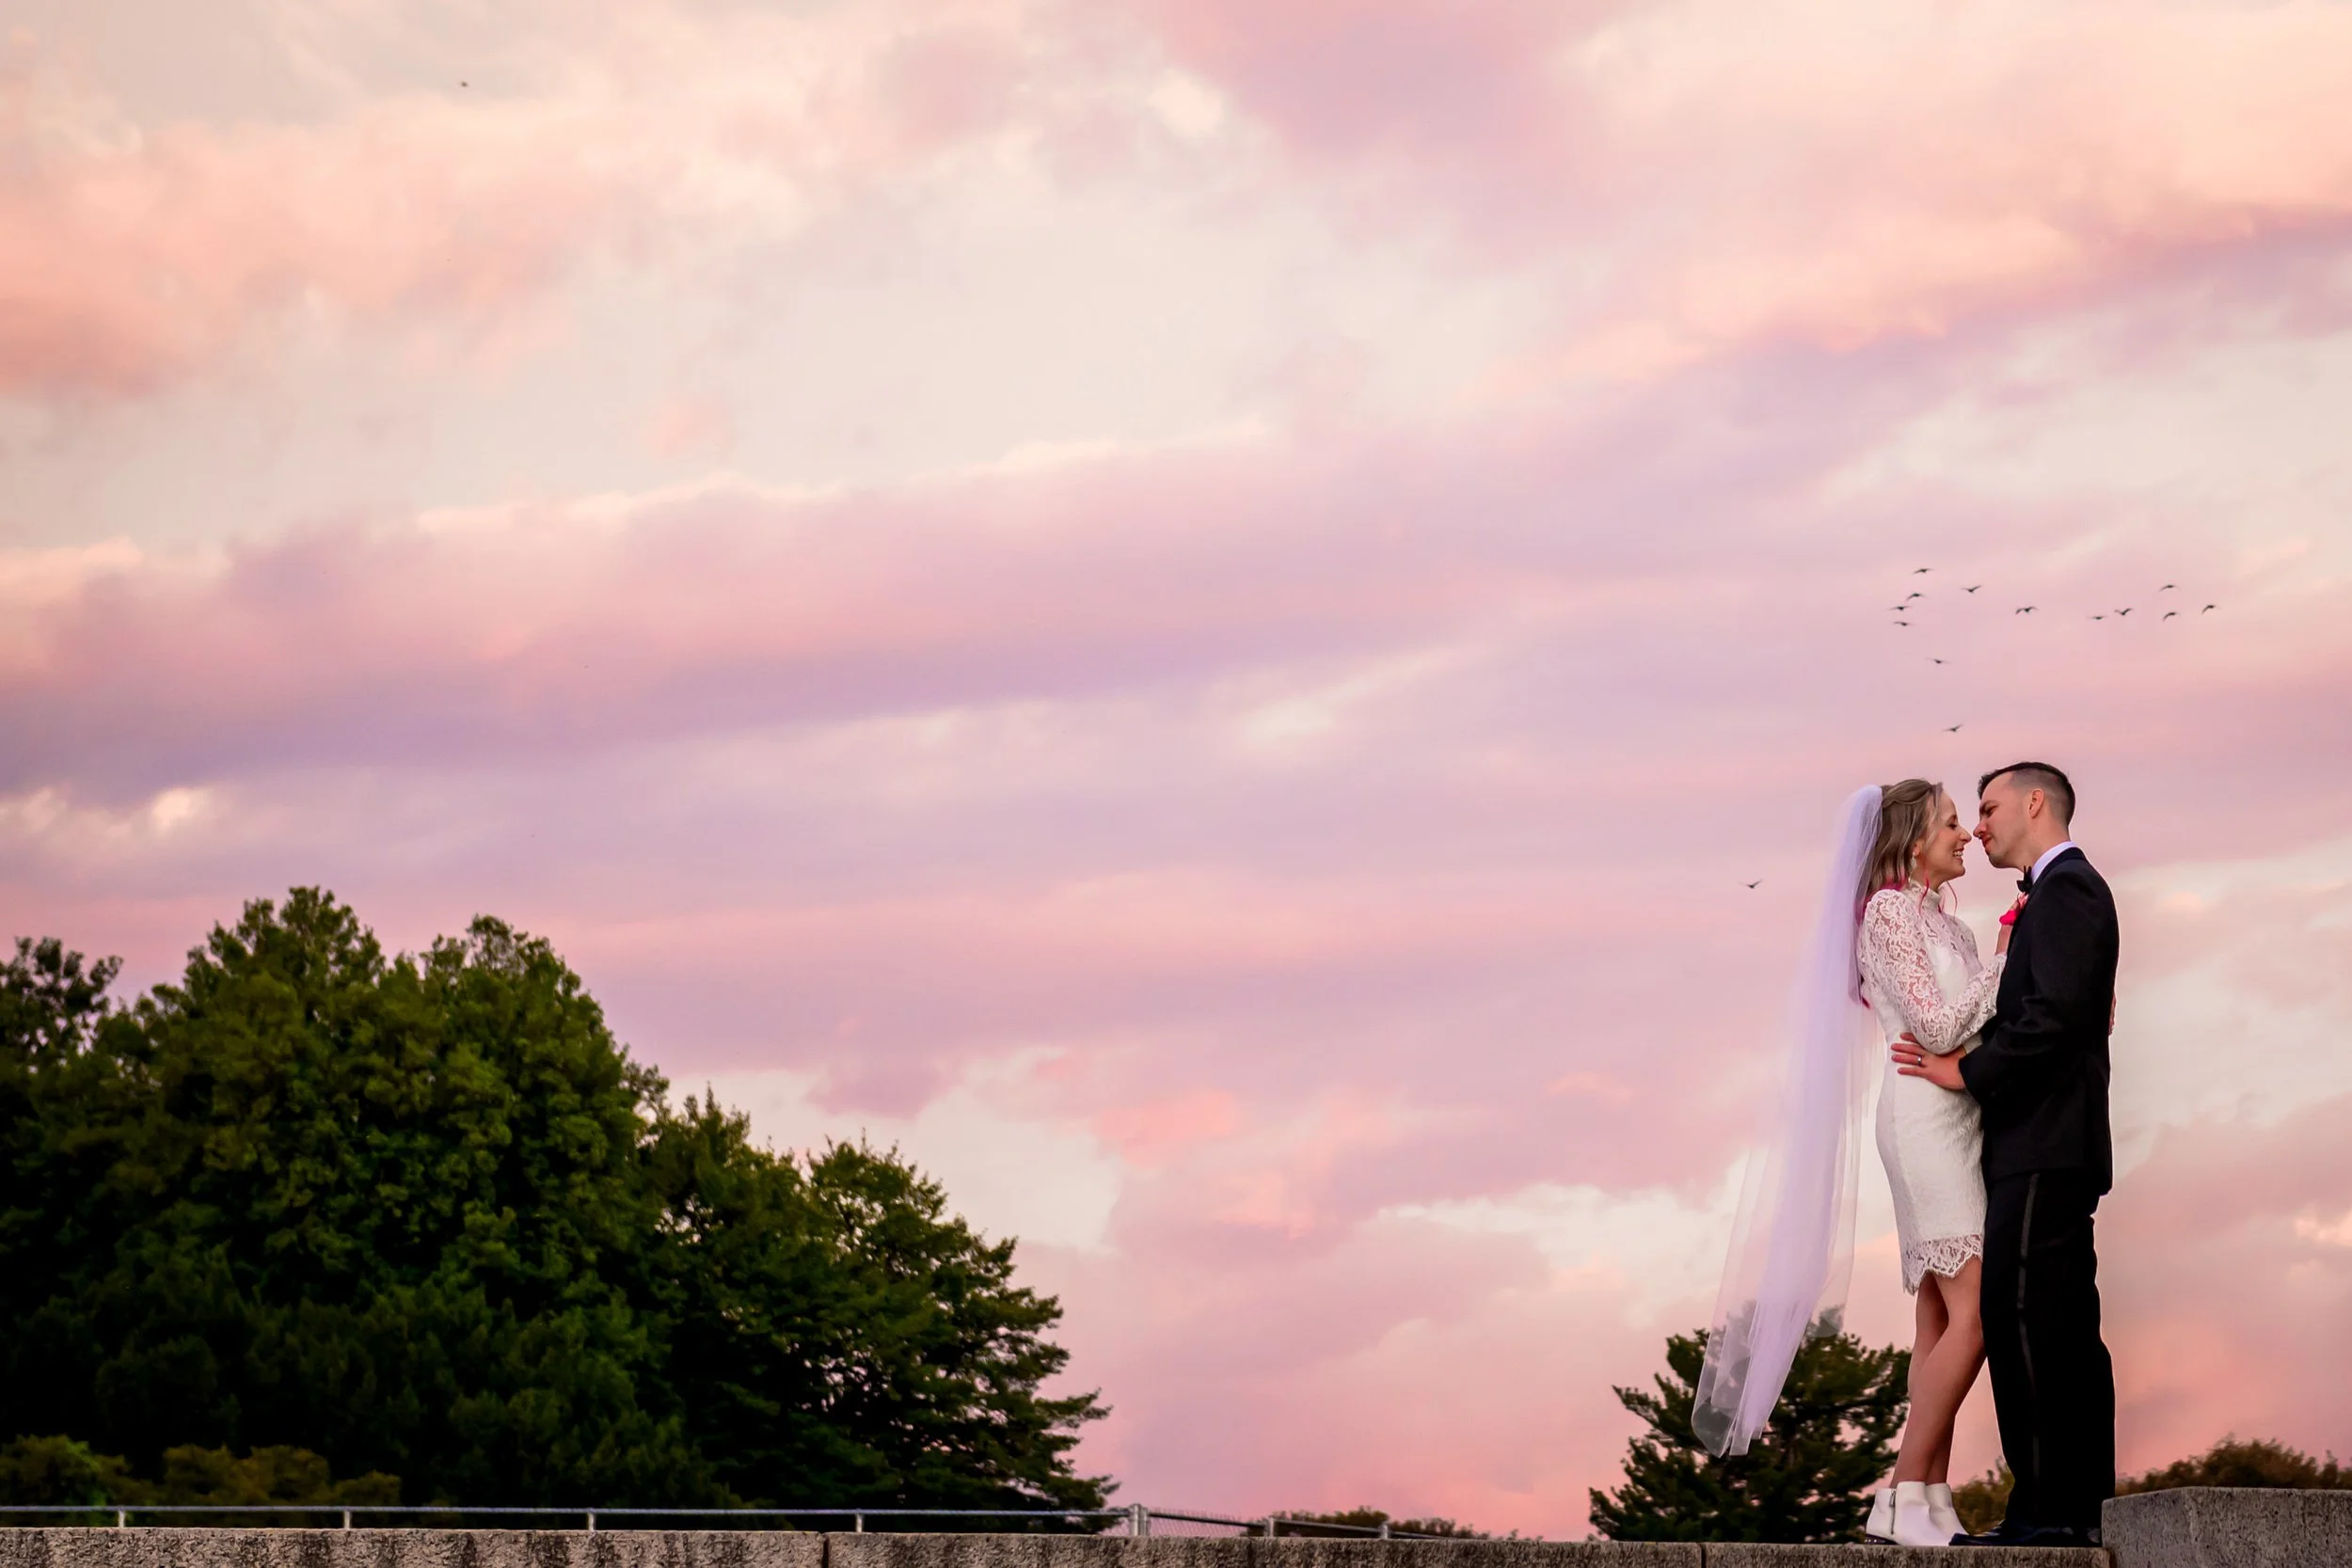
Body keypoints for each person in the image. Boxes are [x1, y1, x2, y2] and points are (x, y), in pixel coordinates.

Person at [1894, 761, 2118, 1548]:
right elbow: (2065, 1007)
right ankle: (2070, 1508)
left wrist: (1967, 1070)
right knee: (2051, 1324)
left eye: (1986, 808)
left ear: (2034, 802)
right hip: (2036, 1142)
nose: (1978, 824)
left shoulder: (2069, 892)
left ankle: (2049, 1514)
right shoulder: (2054, 901)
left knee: (2029, 1324)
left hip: (2044, 1143)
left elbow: (2052, 1018)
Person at [1853, 781, 2011, 1545]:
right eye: (1952, 822)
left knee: (1941, 1316)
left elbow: (1973, 1033)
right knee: (1977, 1308)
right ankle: (1897, 1492)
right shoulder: (1887, 913)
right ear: (1915, 839)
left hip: (1963, 1118)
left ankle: (1932, 1498)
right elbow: (1938, 1023)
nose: (1966, 834)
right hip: (1920, 1118)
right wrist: (2006, 966)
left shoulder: (1950, 924)